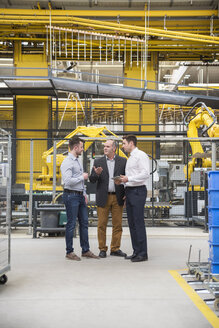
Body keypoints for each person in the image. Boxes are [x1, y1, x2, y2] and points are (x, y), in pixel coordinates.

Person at [60, 136, 99, 261]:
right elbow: (67, 181)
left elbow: (79, 181)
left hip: (80, 195)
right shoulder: (67, 162)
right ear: (75, 147)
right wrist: (82, 177)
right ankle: (69, 251)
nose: (82, 149)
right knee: (71, 224)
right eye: (81, 147)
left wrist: (84, 193)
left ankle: (85, 250)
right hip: (71, 195)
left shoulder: (77, 160)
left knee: (84, 223)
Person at [89, 139, 127, 258]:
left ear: (114, 148)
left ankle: (115, 248)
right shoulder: (98, 161)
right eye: (104, 146)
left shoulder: (123, 161)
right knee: (101, 225)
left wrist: (126, 193)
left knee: (117, 225)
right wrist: (97, 174)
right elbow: (92, 180)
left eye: (108, 146)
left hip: (118, 197)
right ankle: (102, 249)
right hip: (103, 197)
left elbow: (127, 178)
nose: (105, 148)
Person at [119, 135, 150, 262]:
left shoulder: (140, 155)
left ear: (131, 143)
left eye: (124, 143)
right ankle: (136, 251)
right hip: (131, 191)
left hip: (138, 191)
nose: (123, 146)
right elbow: (132, 176)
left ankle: (143, 253)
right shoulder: (131, 157)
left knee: (138, 223)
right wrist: (123, 182)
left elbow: (145, 173)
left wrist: (129, 179)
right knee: (131, 223)